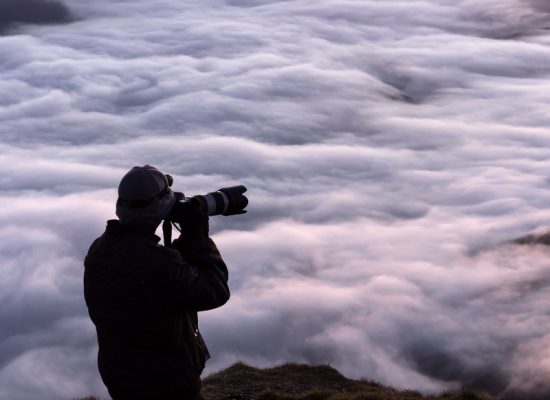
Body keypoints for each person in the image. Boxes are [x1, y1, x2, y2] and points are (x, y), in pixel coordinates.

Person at [84, 165, 230, 400]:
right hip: (166, 384)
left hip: (123, 378)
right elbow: (214, 290)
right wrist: (197, 235)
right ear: (160, 207)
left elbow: (166, 282)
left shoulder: (101, 249)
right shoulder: (157, 265)